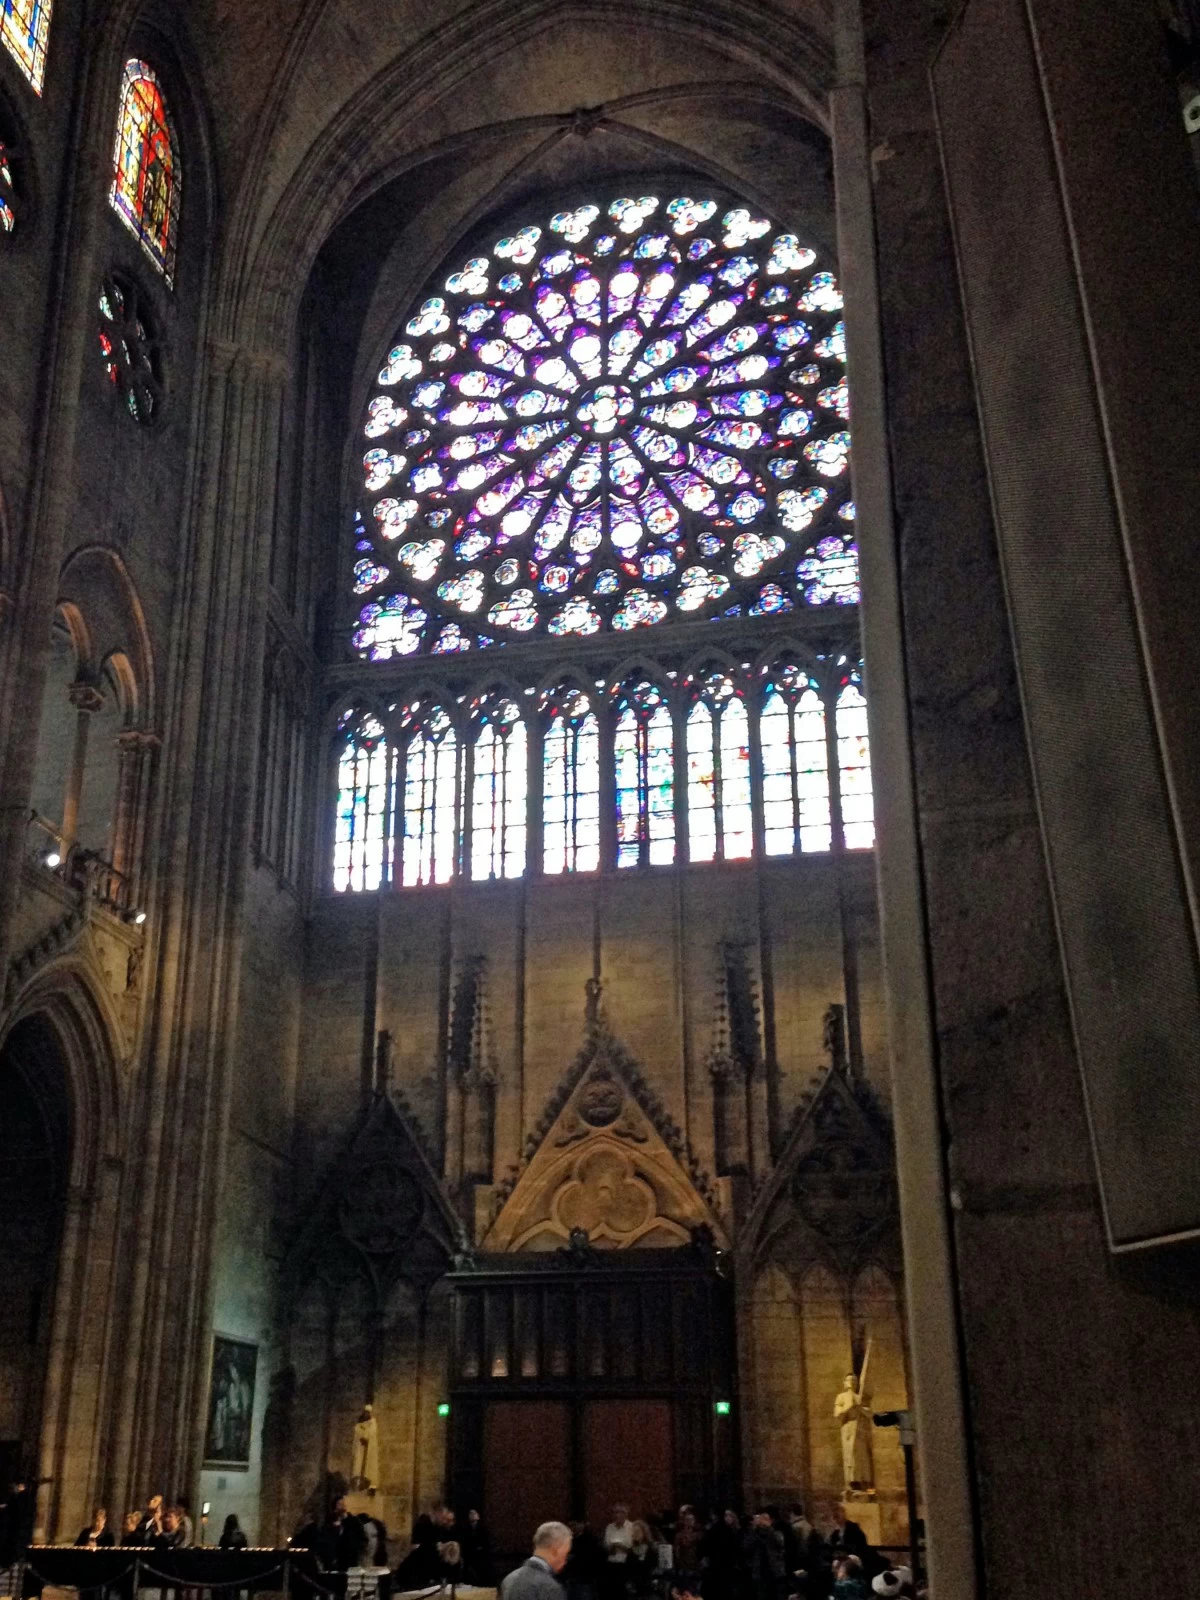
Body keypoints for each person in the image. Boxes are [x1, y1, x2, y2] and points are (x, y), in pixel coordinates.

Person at [501, 1522, 573, 1600]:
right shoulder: (549, 1587)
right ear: (556, 1551)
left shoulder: (509, 1579)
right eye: (566, 1554)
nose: (565, 1561)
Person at [743, 1511, 784, 1600]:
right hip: (760, 1571)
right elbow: (747, 1547)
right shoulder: (754, 1534)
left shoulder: (775, 1532)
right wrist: (754, 1529)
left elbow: (779, 1543)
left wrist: (769, 1528)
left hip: (774, 1570)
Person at [563, 1520, 605, 1600]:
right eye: (571, 1525)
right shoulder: (570, 1538)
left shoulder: (590, 1539)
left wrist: (574, 1557)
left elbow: (593, 1557)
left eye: (576, 1524)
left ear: (582, 1524)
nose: (573, 1527)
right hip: (572, 1576)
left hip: (585, 1577)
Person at [458, 1508, 493, 1587]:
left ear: (478, 1516)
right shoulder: (466, 1528)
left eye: (474, 1513)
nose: (472, 1515)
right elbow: (464, 1542)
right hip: (469, 1555)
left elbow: (486, 1542)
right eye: (470, 1514)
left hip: (481, 1556)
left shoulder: (483, 1528)